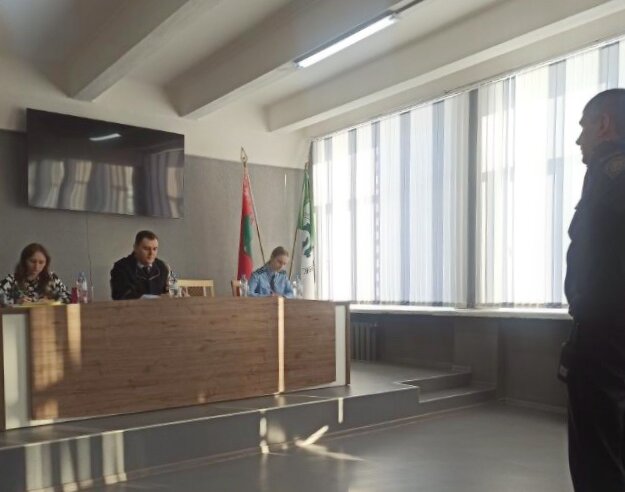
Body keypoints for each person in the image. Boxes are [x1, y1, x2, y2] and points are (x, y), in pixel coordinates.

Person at [560, 88, 625, 492]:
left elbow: (595, 259)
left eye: (584, 127)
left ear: (604, 125)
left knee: (596, 450)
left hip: (604, 333)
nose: (578, 139)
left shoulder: (610, 172)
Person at [0, 243, 70, 306]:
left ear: (46, 263)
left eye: (41, 262)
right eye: (33, 261)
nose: (36, 267)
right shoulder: (12, 280)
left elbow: (68, 296)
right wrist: (16, 302)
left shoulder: (51, 278)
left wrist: (51, 301)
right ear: (24, 261)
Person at [110, 230, 170, 300]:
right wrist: (154, 299)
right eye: (146, 249)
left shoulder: (162, 267)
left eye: (154, 249)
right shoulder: (121, 267)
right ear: (135, 248)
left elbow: (168, 292)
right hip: (131, 307)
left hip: (159, 307)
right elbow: (121, 295)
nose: (151, 253)